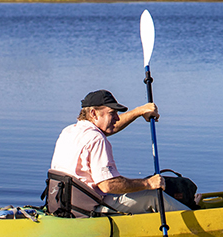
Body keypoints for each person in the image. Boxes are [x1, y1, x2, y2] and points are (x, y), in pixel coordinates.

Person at [51, 89, 188, 214]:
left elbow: (110, 127)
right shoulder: (96, 138)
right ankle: (197, 220)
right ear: (93, 113)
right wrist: (148, 184)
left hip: (65, 203)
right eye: (112, 113)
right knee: (151, 196)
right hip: (90, 208)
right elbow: (107, 185)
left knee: (139, 187)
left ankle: (187, 206)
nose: (117, 118)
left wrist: (139, 111)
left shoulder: (69, 131)